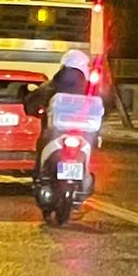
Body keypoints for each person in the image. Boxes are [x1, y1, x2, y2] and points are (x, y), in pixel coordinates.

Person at [23, 49, 92, 182]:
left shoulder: (51, 86)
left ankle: (40, 177)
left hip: (55, 132)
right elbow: (105, 104)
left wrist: (35, 110)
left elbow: (31, 102)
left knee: (43, 145)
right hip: (82, 133)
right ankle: (84, 176)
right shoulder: (91, 89)